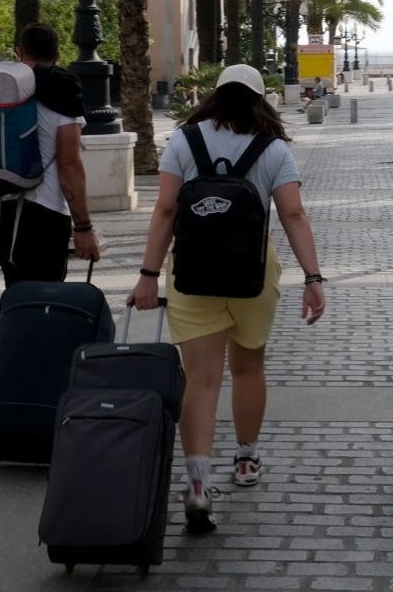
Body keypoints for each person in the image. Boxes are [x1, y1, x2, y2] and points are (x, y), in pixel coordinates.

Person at [129, 64, 325, 534]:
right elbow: (293, 213)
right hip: (253, 275)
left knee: (201, 381)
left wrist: (147, 276)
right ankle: (245, 458)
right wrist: (313, 277)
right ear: (260, 100)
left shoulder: (183, 140)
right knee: (249, 367)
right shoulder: (273, 148)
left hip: (192, 274)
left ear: (215, 97)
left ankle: (198, 482)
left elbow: (166, 209)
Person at [0, 23, 102, 285]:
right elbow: (69, 165)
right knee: (45, 300)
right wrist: (83, 228)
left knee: (16, 293)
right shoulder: (62, 91)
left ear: (18, 53)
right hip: (45, 212)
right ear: (56, 56)